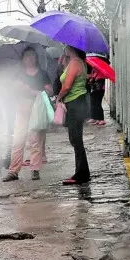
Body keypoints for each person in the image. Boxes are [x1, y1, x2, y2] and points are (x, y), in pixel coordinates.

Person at [4, 47, 52, 181]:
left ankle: (35, 169)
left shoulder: (42, 74)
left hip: (37, 108)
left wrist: (34, 90)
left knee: (36, 140)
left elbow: (50, 91)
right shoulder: (18, 74)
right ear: (23, 59)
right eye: (26, 56)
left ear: (36, 58)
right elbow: (11, 90)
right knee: (18, 140)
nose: (29, 59)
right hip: (21, 109)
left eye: (32, 56)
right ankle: (13, 171)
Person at [56, 46, 91, 185]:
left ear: (71, 47)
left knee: (76, 140)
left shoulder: (75, 62)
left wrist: (59, 98)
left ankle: (81, 174)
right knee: (76, 139)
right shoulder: (78, 62)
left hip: (75, 103)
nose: (64, 48)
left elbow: (67, 86)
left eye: (66, 45)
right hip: (78, 102)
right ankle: (82, 172)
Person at [88, 61, 107, 126]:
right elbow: (92, 78)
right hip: (94, 89)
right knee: (93, 103)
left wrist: (94, 79)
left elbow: (100, 81)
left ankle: (101, 119)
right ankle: (95, 118)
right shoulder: (94, 70)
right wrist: (91, 79)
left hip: (99, 90)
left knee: (98, 104)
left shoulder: (101, 71)